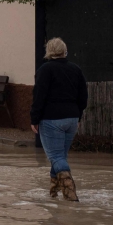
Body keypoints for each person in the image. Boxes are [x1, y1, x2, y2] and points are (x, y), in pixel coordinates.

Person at [30, 37, 88, 202]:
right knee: (61, 156)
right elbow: (83, 97)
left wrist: (34, 118)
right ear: (64, 51)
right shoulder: (75, 69)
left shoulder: (45, 70)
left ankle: (69, 191)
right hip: (71, 119)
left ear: (49, 51)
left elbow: (38, 97)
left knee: (56, 157)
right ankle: (54, 194)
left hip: (51, 119)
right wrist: (78, 116)